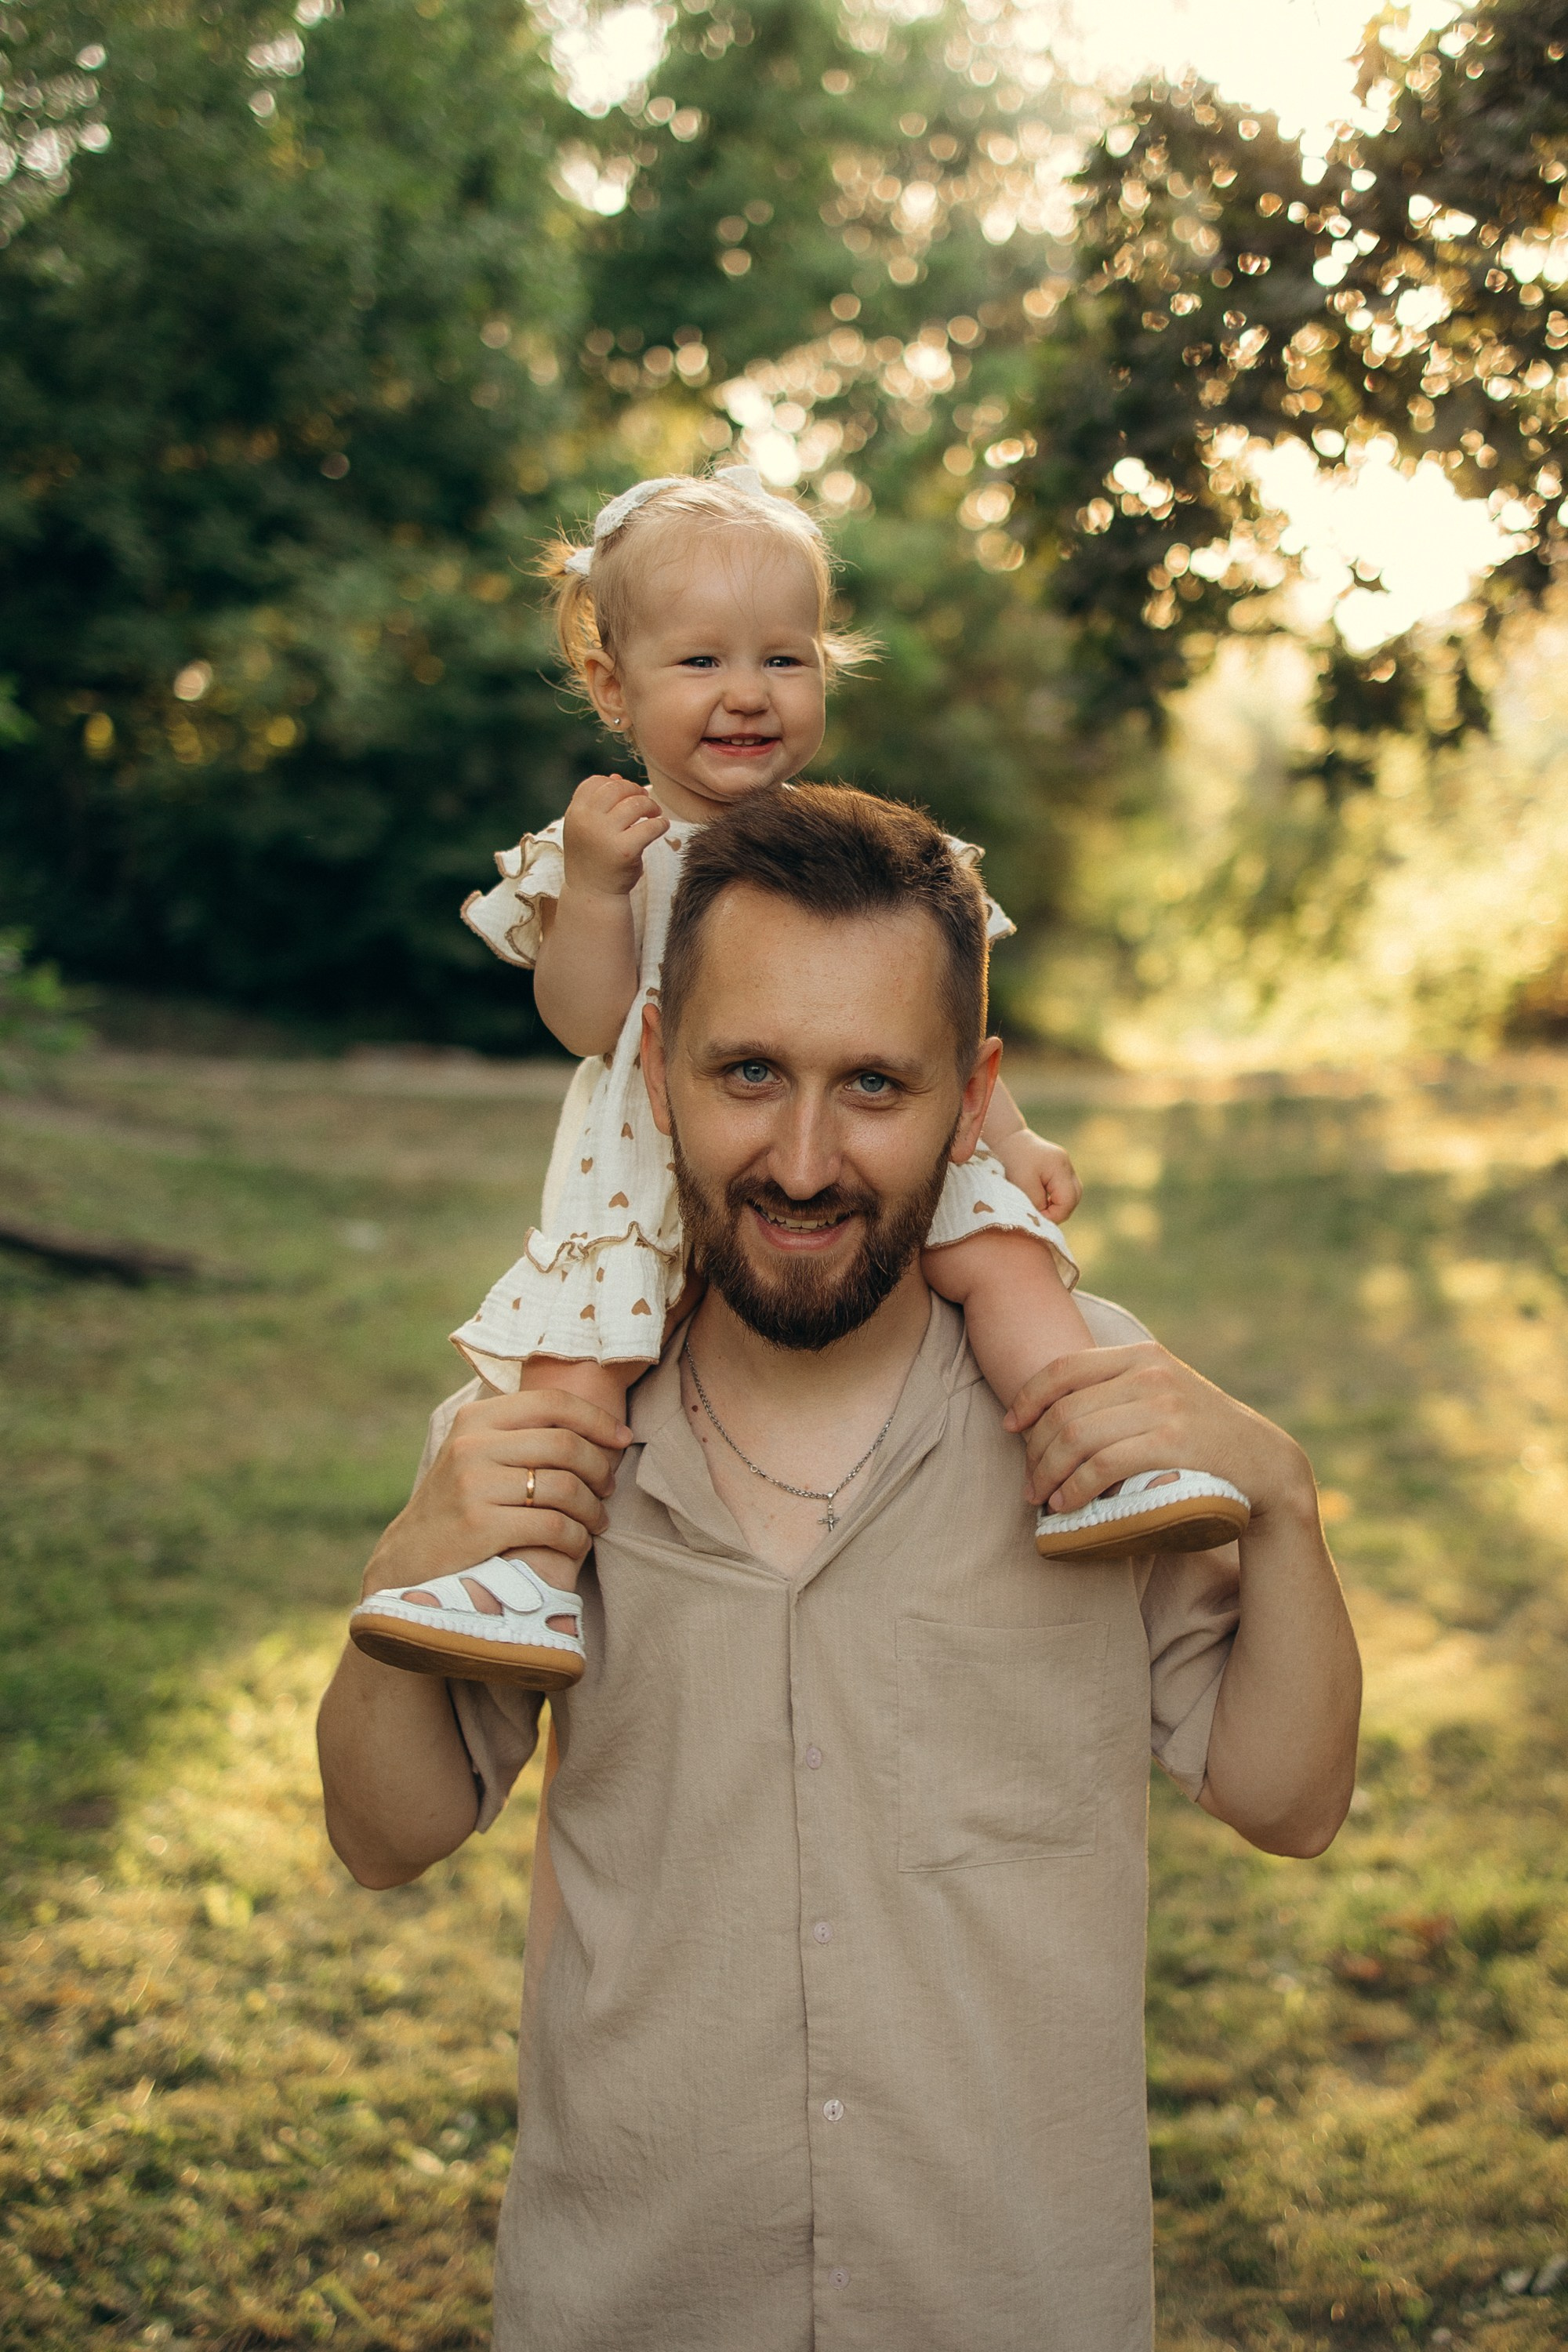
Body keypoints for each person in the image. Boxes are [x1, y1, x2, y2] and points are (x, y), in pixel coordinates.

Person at [318, 783, 1362, 2352]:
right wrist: (408, 1569)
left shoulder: (1094, 1414)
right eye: (749, 1072)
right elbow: (386, 1836)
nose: (801, 1161)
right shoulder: (530, 1431)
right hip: (634, 2300)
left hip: (1007, 2298)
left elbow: (1287, 1800)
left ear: (973, 1093)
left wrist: (1279, 1500)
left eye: (873, 1085)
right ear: (656, 1071)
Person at [347, 470, 1247, 1694]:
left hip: (859, 1145)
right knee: (577, 1369)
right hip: (648, 1165)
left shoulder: (874, 850)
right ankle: (524, 1580)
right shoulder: (609, 849)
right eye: (700, 662)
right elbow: (589, 1022)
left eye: (785, 658)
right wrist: (603, 894)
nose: (746, 694)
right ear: (614, 687)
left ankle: (1094, 1453)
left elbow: (941, 1017)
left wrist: (1011, 1136)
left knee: (1004, 1251)